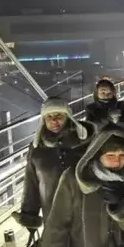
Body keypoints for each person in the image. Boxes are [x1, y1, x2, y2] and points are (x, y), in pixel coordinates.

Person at [14, 98, 93, 230]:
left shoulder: (85, 142)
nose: (54, 120)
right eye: (48, 117)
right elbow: (31, 183)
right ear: (43, 121)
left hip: (87, 213)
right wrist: (29, 214)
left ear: (68, 117)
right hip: (53, 215)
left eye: (59, 116)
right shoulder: (37, 149)